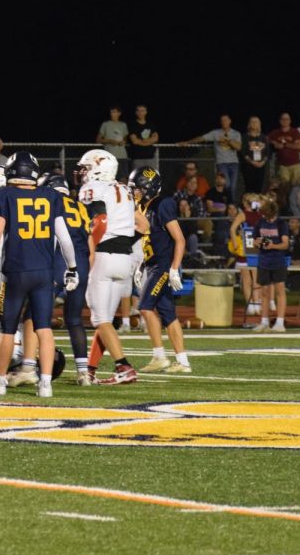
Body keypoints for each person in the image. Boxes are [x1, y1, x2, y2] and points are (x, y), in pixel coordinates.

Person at [0, 152, 77, 398]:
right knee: (44, 328)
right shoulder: (51, 196)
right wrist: (72, 268)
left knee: (7, 329)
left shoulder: (5, 195)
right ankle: (45, 384)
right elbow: (64, 238)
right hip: (45, 272)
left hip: (17, 272)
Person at [73, 149, 138, 384]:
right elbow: (140, 223)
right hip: (125, 257)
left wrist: (89, 251)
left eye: (87, 168)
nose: (83, 173)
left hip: (104, 254)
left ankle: (124, 366)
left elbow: (99, 221)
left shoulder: (94, 189)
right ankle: (90, 369)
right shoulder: (124, 189)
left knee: (100, 319)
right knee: (106, 320)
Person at [130, 167, 190, 374]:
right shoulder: (141, 206)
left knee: (145, 307)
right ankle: (183, 362)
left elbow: (179, 239)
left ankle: (159, 357)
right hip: (152, 264)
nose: (134, 192)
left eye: (138, 188)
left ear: (149, 188)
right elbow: (146, 240)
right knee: (168, 315)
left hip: (163, 265)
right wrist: (140, 265)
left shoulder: (162, 204)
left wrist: (174, 269)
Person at [38, 172, 94, 384]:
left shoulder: (49, 202)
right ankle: (83, 372)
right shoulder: (79, 206)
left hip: (59, 260)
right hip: (81, 263)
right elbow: (88, 241)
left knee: (38, 317)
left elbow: (52, 236)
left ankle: (31, 367)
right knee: (74, 319)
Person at [179, 114, 243, 202]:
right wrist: (188, 142)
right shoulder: (216, 133)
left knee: (233, 187)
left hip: (234, 163)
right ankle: (228, 205)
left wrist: (227, 140)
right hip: (222, 163)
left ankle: (231, 206)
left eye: (225, 120)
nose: (224, 122)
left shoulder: (235, 134)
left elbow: (238, 147)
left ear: (230, 121)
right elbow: (202, 138)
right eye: (222, 121)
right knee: (226, 184)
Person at [253, 198, 290, 332]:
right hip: (263, 260)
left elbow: (285, 243)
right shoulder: (260, 223)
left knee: (280, 290)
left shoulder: (281, 224)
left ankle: (280, 322)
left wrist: (273, 245)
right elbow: (254, 241)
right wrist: (258, 243)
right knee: (264, 292)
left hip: (278, 260)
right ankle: (264, 321)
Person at [267, 112, 300, 203]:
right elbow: (266, 139)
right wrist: (274, 143)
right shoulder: (276, 132)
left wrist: (285, 145)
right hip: (283, 165)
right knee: (284, 186)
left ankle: (294, 204)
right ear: (280, 121)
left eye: (287, 119)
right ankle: (285, 204)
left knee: (296, 186)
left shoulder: (295, 132)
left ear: (290, 121)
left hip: (295, 164)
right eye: (283, 119)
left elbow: (299, 146)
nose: (285, 121)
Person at [202, 172, 232, 256]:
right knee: (221, 218)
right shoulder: (210, 192)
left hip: (225, 217)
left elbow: (231, 207)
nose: (219, 180)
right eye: (218, 178)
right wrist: (221, 208)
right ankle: (220, 247)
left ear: (225, 180)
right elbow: (210, 208)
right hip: (213, 217)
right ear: (215, 180)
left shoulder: (228, 192)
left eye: (222, 178)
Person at [96, 106, 129, 174]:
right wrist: (109, 141)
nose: (112, 114)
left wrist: (124, 142)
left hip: (122, 156)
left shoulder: (123, 124)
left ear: (119, 113)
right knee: (108, 176)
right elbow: (98, 139)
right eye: (111, 112)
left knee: (123, 177)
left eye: (114, 112)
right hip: (108, 156)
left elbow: (126, 139)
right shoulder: (105, 124)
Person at [240, 116, 269, 195]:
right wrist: (252, 162)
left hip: (261, 166)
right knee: (249, 188)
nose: (255, 124)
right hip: (248, 166)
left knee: (258, 188)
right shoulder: (244, 137)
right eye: (253, 122)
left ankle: (256, 207)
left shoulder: (264, 137)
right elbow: (243, 152)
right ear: (249, 124)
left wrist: (262, 162)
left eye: (257, 122)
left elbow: (267, 153)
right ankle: (249, 206)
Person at [126, 105, 159, 169]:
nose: (140, 112)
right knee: (138, 177)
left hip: (150, 156)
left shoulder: (150, 124)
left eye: (142, 110)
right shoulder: (132, 125)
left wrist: (143, 140)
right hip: (137, 157)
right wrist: (149, 141)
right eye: (138, 110)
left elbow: (156, 138)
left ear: (146, 112)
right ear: (136, 112)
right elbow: (134, 141)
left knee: (151, 177)